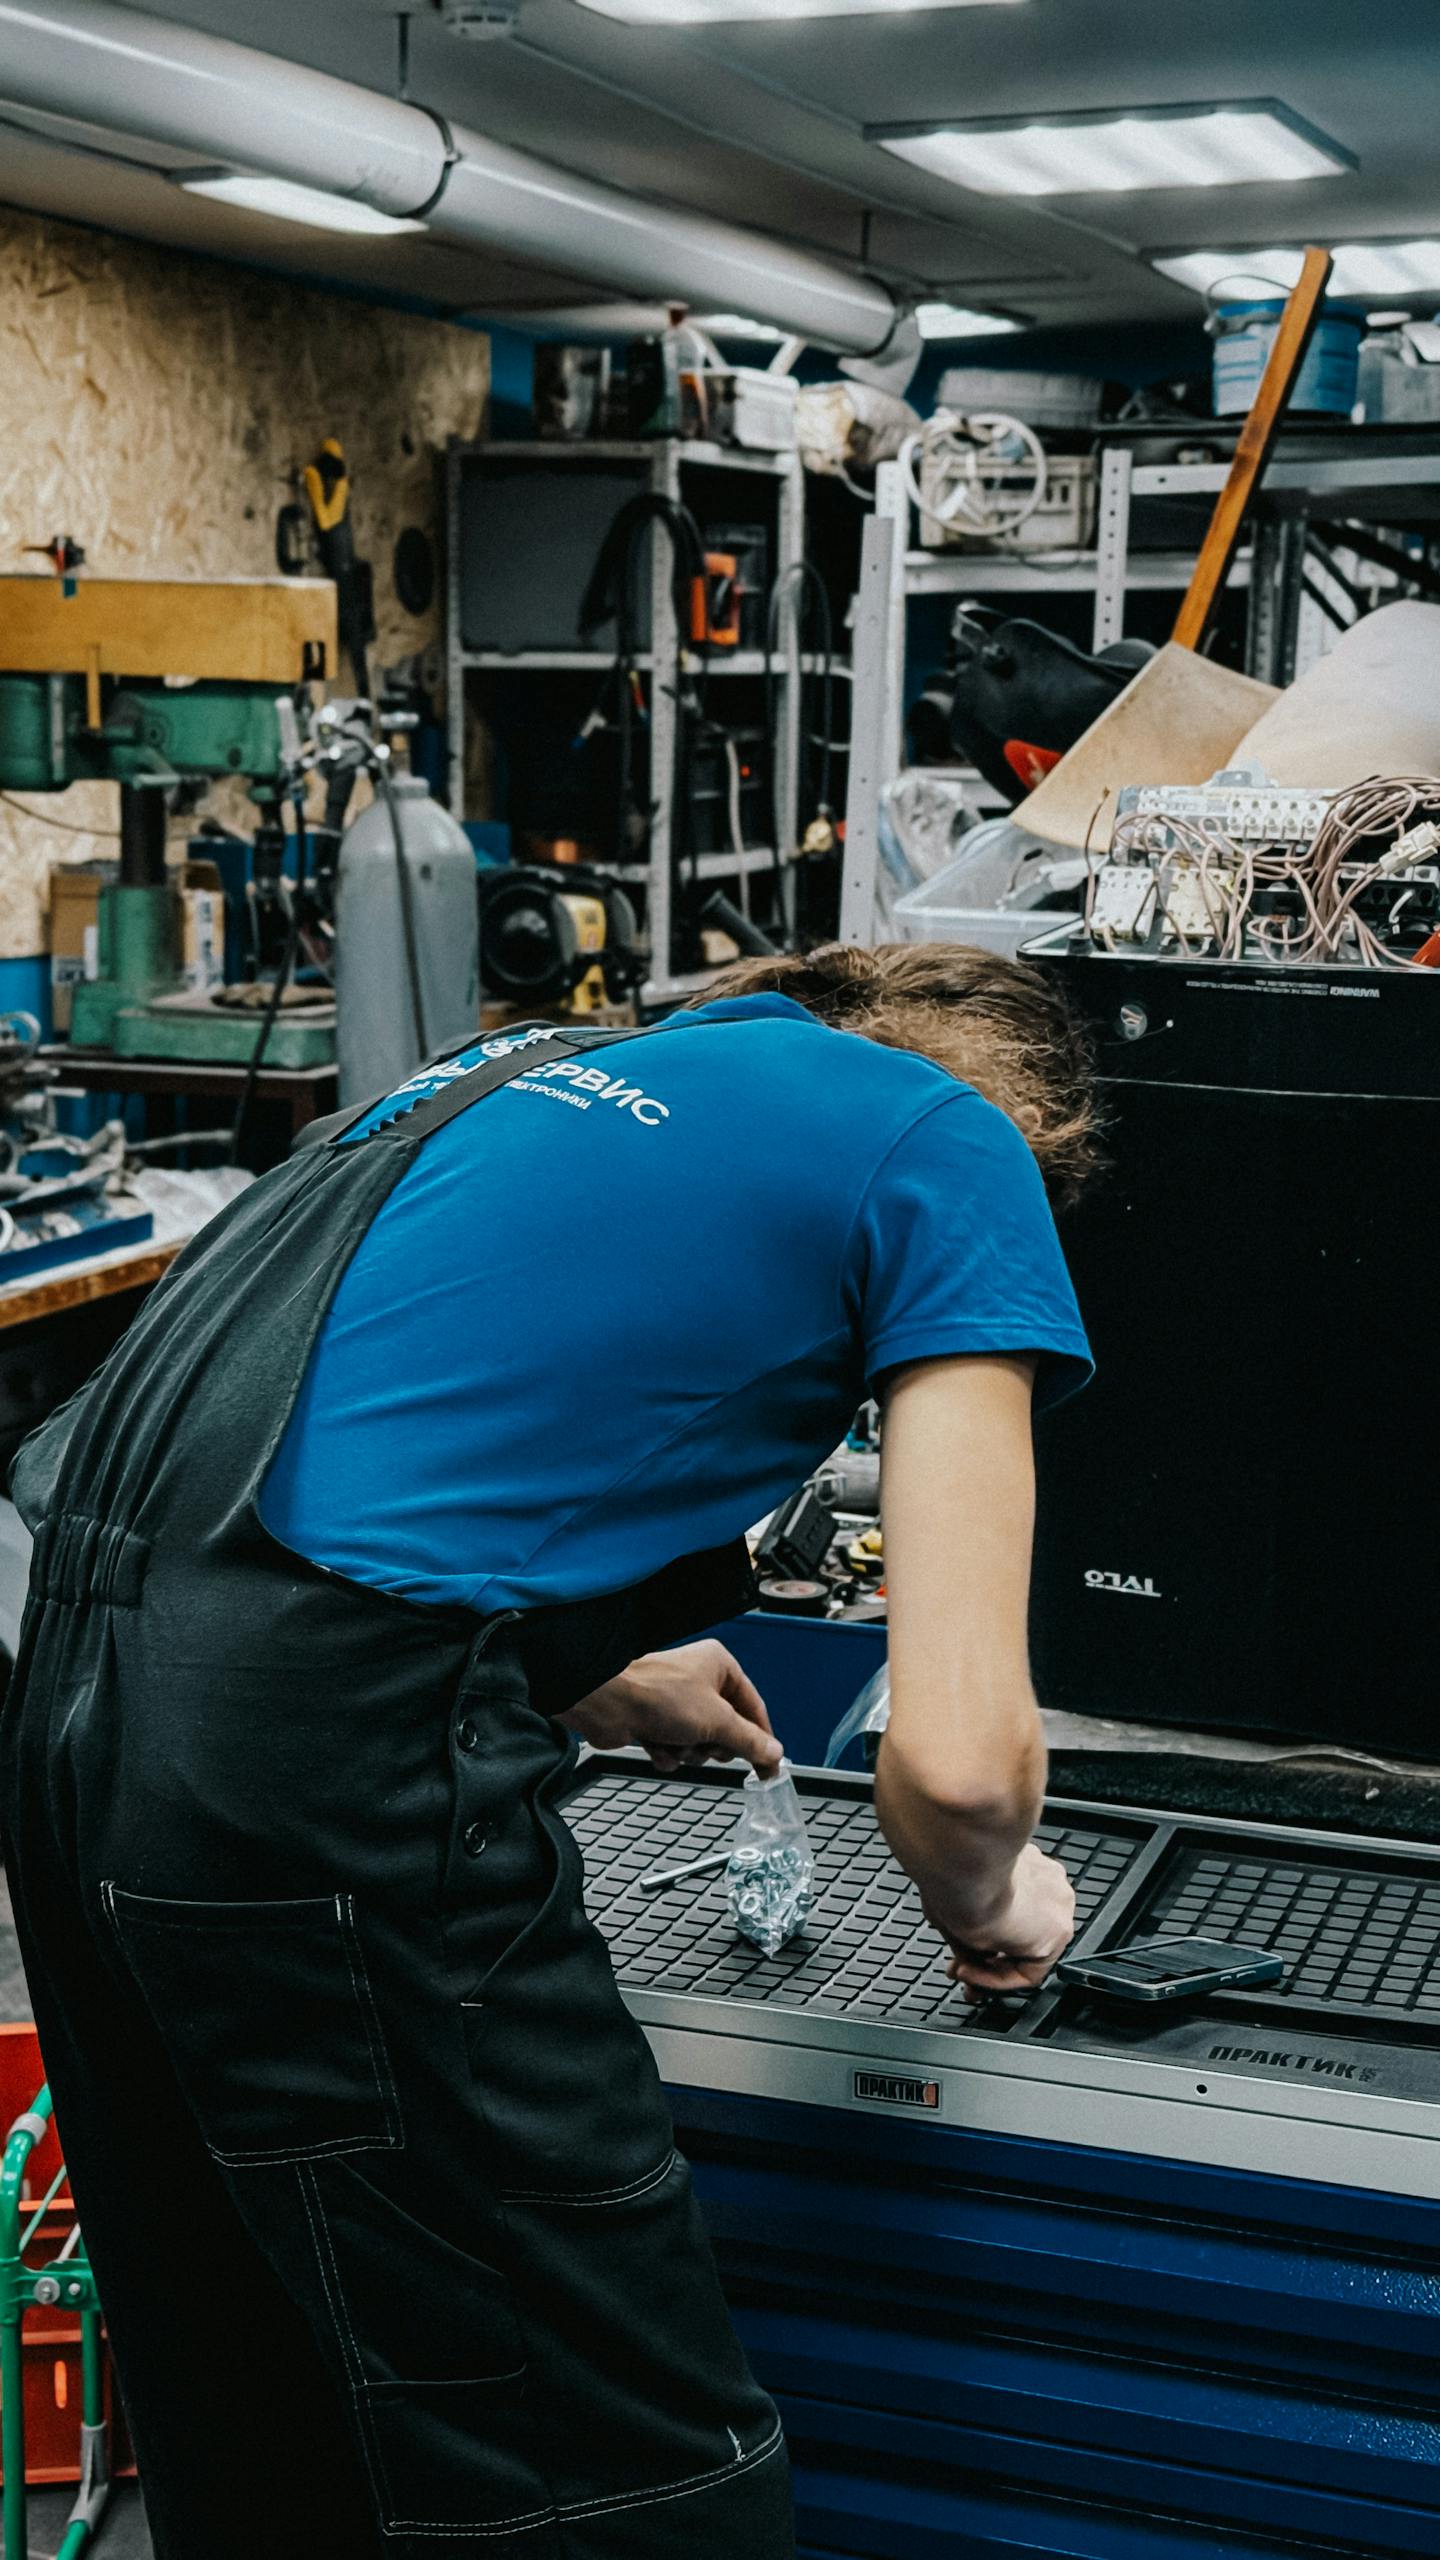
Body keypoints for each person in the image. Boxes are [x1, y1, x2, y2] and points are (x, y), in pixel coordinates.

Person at [0, 940, 1096, 2560]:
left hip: (68, 1711)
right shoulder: (952, 1138)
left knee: (266, 2422)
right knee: (627, 2492)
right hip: (317, 1783)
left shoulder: (518, 1071)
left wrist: (590, 1667)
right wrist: (1000, 1899)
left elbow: (373, 1427)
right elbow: (957, 1768)